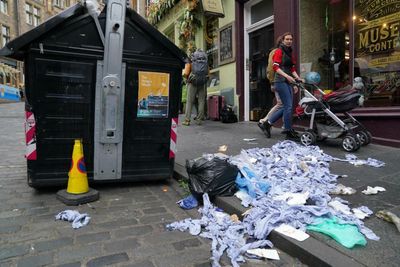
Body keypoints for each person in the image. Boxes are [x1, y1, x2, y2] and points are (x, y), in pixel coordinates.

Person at [259, 32, 304, 139]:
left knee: (286, 106)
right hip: (280, 81)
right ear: (283, 40)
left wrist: (297, 78)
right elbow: (275, 67)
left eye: (291, 39)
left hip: (288, 82)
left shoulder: (289, 52)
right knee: (288, 106)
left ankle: (268, 123)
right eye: (287, 39)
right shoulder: (279, 51)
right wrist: (287, 77)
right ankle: (288, 131)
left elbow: (292, 68)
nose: (289, 41)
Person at [258, 37, 284, 131]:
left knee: (281, 104)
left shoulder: (286, 52)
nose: (289, 42)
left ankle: (264, 121)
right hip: (278, 81)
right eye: (286, 40)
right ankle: (265, 121)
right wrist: (272, 82)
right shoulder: (275, 52)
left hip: (284, 82)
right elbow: (270, 68)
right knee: (281, 104)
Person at [182, 49, 208, 126]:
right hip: (202, 82)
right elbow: (207, 72)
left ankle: (187, 120)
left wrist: (187, 79)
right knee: (201, 101)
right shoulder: (204, 59)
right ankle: (199, 119)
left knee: (189, 101)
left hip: (192, 82)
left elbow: (186, 73)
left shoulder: (191, 58)